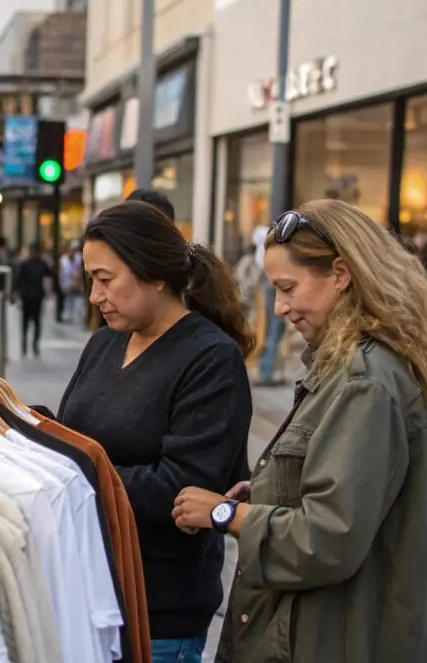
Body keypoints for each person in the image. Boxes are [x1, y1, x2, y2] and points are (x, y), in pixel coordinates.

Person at [172, 199, 427, 663]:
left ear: (341, 275)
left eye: (288, 288)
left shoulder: (363, 382)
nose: (281, 306)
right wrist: (270, 492)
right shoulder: (344, 370)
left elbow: (328, 539)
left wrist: (228, 516)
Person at [58, 201, 255, 663]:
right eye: (90, 279)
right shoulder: (106, 341)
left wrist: (71, 468)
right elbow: (76, 432)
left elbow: (183, 489)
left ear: (155, 273)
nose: (94, 295)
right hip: (89, 591)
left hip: (159, 609)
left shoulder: (210, 358)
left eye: (105, 279)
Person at [12, 242, 54, 357]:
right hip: (38, 296)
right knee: (37, 322)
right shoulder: (43, 264)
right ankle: (35, 346)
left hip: (26, 296)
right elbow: (49, 278)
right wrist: (49, 293)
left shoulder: (25, 264)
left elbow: (18, 280)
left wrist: (14, 293)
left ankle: (24, 345)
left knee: (25, 322)